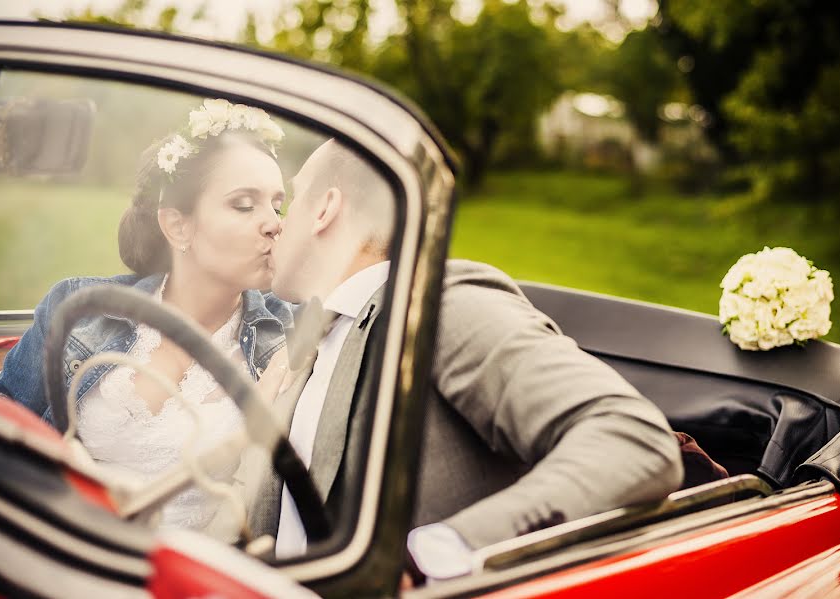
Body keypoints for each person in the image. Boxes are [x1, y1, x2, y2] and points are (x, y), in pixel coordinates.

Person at [257, 139, 684, 581]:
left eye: (290, 200)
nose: (276, 225)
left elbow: (630, 437)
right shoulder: (309, 346)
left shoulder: (436, 306)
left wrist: (433, 557)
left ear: (326, 208)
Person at [0, 98, 293, 535]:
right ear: (177, 226)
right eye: (245, 204)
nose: (274, 224)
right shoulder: (78, 308)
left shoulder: (292, 334)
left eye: (277, 205)